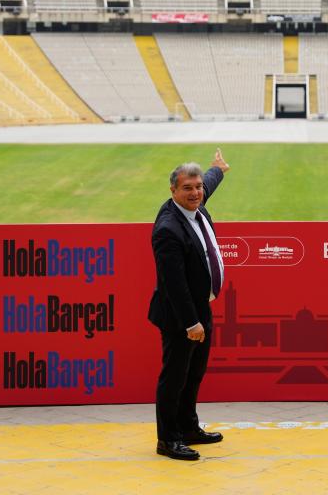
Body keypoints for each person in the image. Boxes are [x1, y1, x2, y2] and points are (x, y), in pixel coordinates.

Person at [149, 149, 230, 461]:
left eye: (198, 188)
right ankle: (168, 440)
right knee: (175, 378)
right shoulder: (168, 230)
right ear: (173, 191)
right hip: (180, 316)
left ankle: (188, 427)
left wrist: (217, 170)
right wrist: (191, 323)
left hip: (200, 308)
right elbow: (174, 285)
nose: (196, 193)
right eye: (188, 188)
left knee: (194, 373)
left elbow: (206, 184)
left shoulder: (194, 204)